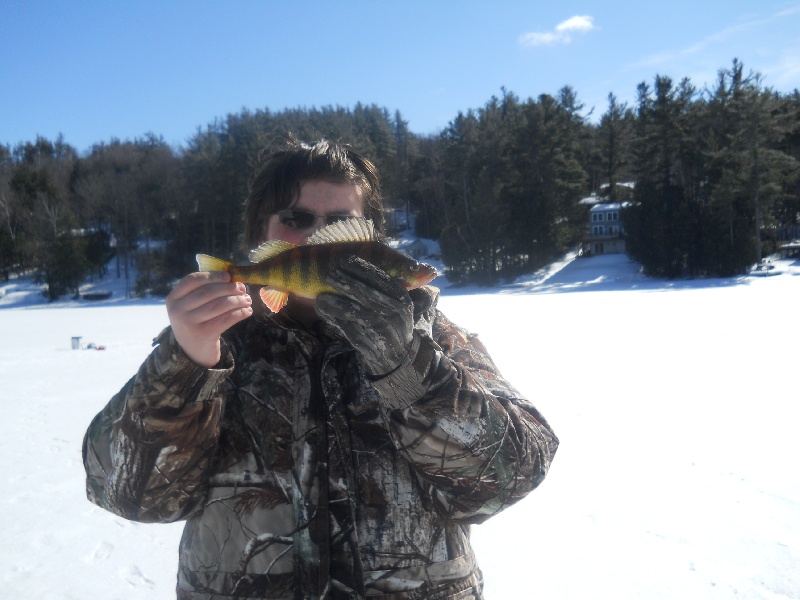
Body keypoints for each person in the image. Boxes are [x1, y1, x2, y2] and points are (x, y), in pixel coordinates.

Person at [83, 138, 559, 600]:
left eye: (339, 221)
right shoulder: (214, 341)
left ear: (368, 235)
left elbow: (512, 476)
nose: (314, 234)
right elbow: (129, 493)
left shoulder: (432, 337)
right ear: (261, 234)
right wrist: (185, 363)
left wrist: (407, 367)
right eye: (295, 218)